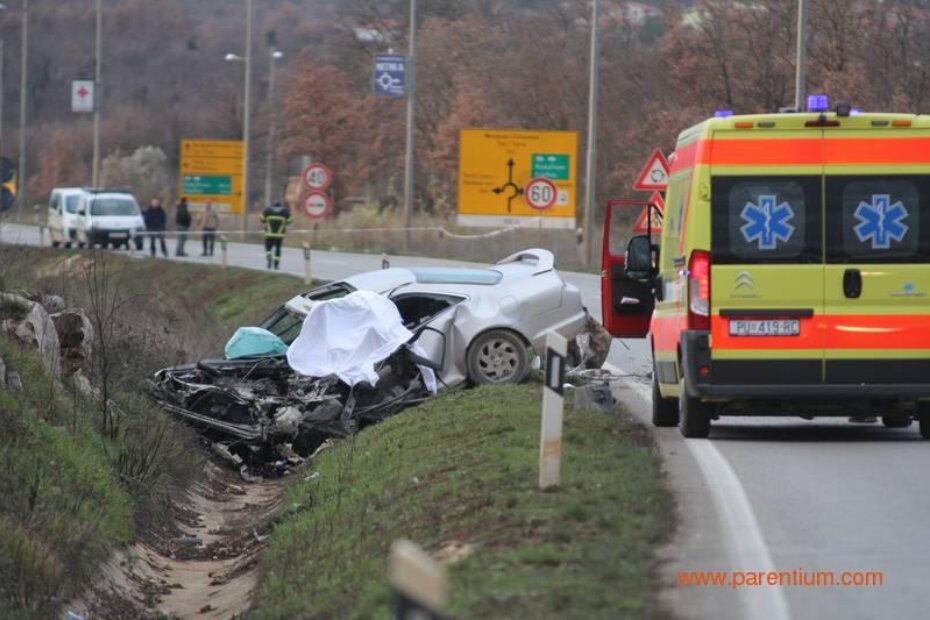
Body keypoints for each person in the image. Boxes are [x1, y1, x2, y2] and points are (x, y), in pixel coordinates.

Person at [260, 199, 292, 270]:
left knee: (268, 247)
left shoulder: (267, 210)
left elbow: (261, 218)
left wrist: (265, 221)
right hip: (279, 234)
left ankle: (269, 259)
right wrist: (285, 223)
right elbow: (290, 220)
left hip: (269, 234)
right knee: (278, 248)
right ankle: (276, 264)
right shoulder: (285, 211)